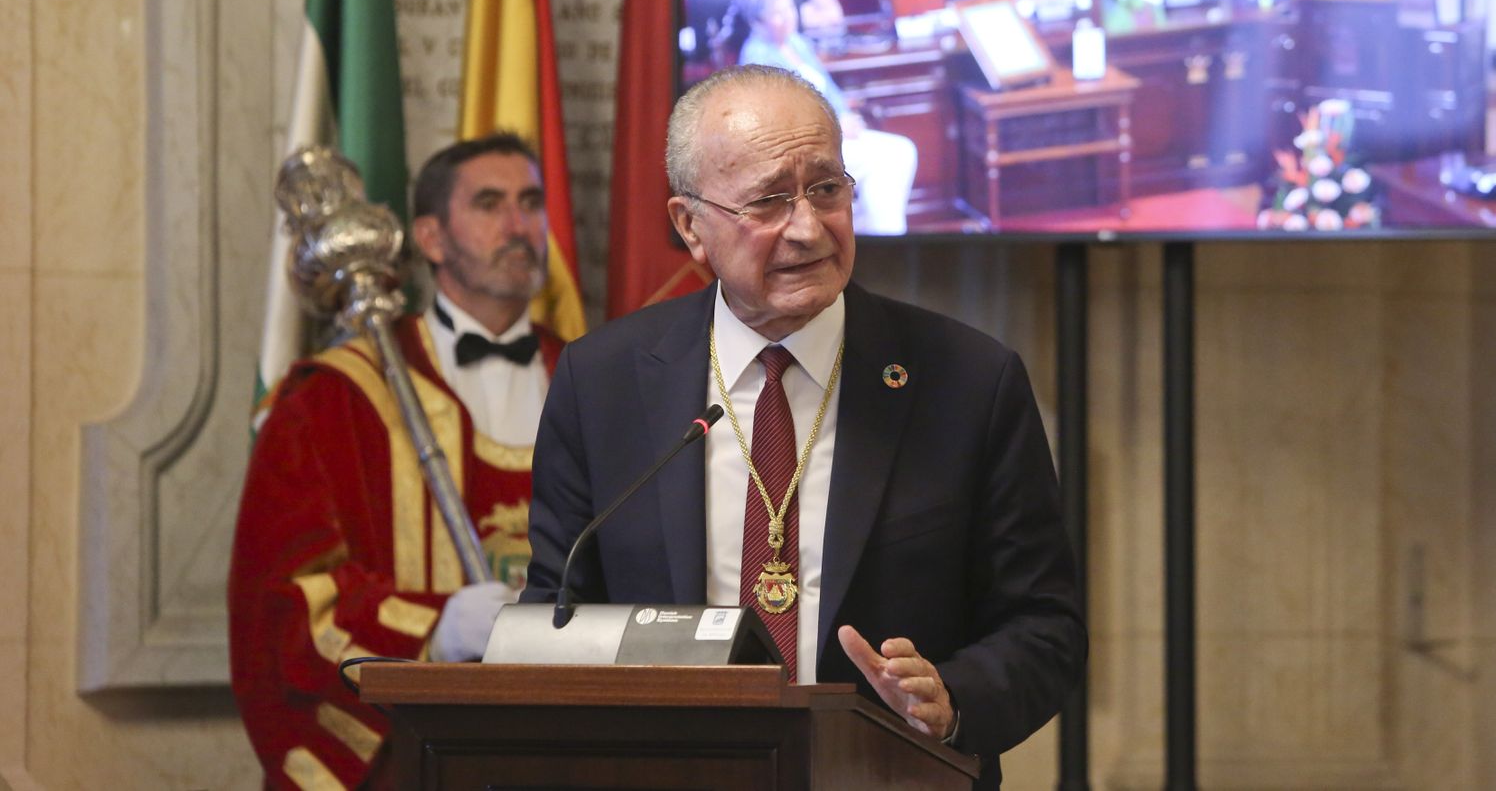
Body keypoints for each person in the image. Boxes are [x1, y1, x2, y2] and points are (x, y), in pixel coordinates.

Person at [523, 64, 1085, 790]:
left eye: (826, 189)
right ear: (690, 226)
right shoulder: (602, 384)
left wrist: (951, 700)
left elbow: (1046, 627)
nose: (808, 228)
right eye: (768, 201)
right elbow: (556, 617)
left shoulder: (969, 382)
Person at [229, 133, 564, 789]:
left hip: (572, 748)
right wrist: (436, 627)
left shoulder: (600, 377)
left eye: (531, 202)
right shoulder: (337, 398)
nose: (519, 225)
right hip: (415, 762)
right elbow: (280, 605)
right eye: (490, 204)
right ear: (431, 239)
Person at [739, 0, 917, 235]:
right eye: (777, 13)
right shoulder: (757, 57)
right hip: (803, 148)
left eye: (790, 8)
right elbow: (785, 118)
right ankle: (885, 237)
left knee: (903, 150)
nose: (788, 17)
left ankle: (876, 231)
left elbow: (830, 89)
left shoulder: (796, 42)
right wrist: (835, 126)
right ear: (757, 22)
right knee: (888, 159)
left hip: (832, 132)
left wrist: (845, 115)